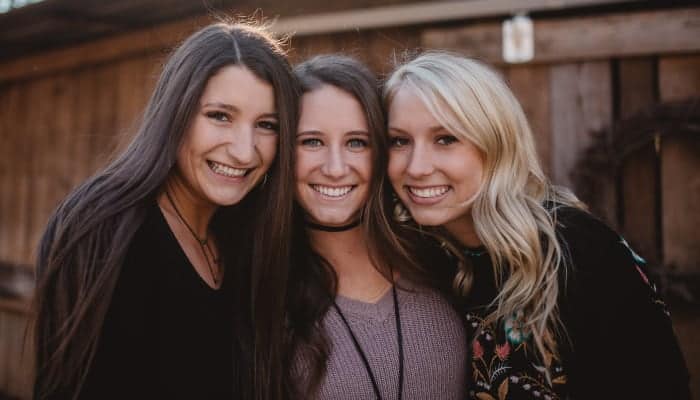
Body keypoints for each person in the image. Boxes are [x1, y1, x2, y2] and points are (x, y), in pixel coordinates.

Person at [383, 51, 691, 400]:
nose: (417, 166)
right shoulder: (418, 258)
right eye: (399, 141)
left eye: (446, 139)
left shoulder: (576, 250)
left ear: (495, 143)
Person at [30, 22, 299, 400]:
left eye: (266, 125)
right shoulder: (105, 231)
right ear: (176, 112)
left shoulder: (245, 237)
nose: (244, 150)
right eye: (220, 115)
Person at [278, 54, 467, 400]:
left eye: (356, 142)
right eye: (312, 141)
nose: (335, 168)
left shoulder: (445, 260)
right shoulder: (261, 296)